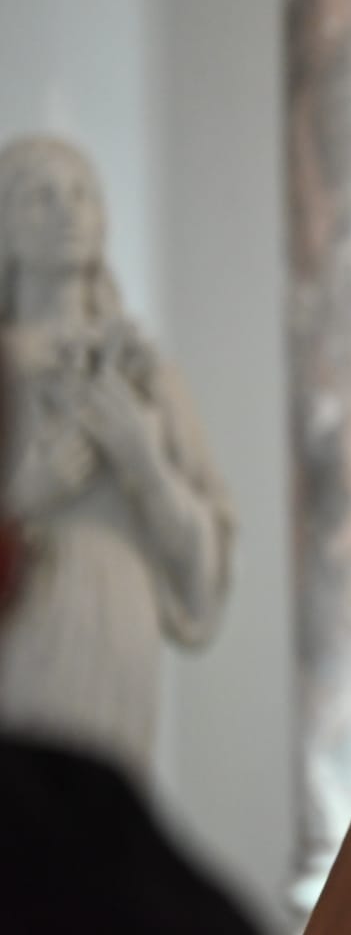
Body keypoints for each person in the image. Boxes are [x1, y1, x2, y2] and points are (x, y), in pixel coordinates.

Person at [0, 136, 234, 783]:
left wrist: (146, 464)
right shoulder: (4, 373)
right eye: (40, 195)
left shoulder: (143, 373)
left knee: (102, 810)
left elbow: (203, 568)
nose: (66, 211)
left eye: (82, 194)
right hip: (24, 617)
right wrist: (24, 496)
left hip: (118, 616)